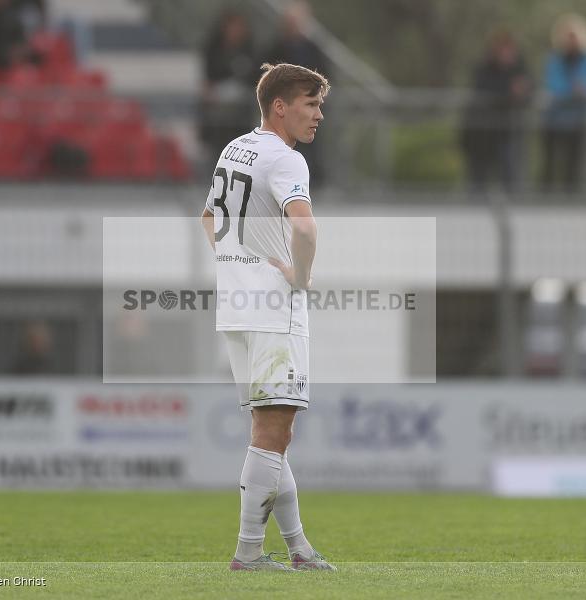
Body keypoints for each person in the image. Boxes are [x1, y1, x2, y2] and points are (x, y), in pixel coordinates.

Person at [200, 62, 335, 572]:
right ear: (280, 106)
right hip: (274, 308)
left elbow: (209, 216)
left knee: (272, 432)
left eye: (320, 105)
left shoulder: (236, 147)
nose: (318, 115)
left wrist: (237, 264)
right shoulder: (285, 160)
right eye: (310, 104)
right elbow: (305, 230)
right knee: (272, 433)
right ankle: (248, 553)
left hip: (236, 306)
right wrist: (299, 275)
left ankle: (298, 548)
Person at [261, 2, 329, 186]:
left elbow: (324, 74)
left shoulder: (312, 48)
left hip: (305, 108)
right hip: (285, 109)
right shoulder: (276, 47)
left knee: (310, 146)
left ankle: (312, 181)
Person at [540, 13, 586, 193]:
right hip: (555, 120)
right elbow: (553, 85)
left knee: (576, 165)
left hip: (580, 121)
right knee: (551, 164)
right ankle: (547, 197)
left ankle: (574, 196)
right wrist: (572, 91)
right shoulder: (556, 60)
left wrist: (585, 91)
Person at [460, 30, 531, 194]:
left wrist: (523, 91)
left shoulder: (520, 69)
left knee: (510, 174)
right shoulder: (483, 69)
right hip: (482, 134)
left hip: (509, 133)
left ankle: (512, 206)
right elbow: (484, 92)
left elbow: (529, 90)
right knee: (478, 176)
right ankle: (473, 209)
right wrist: (509, 92)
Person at [200, 10, 259, 171]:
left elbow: (254, 77)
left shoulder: (249, 50)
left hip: (241, 109)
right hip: (219, 108)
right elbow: (208, 79)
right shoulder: (214, 49)